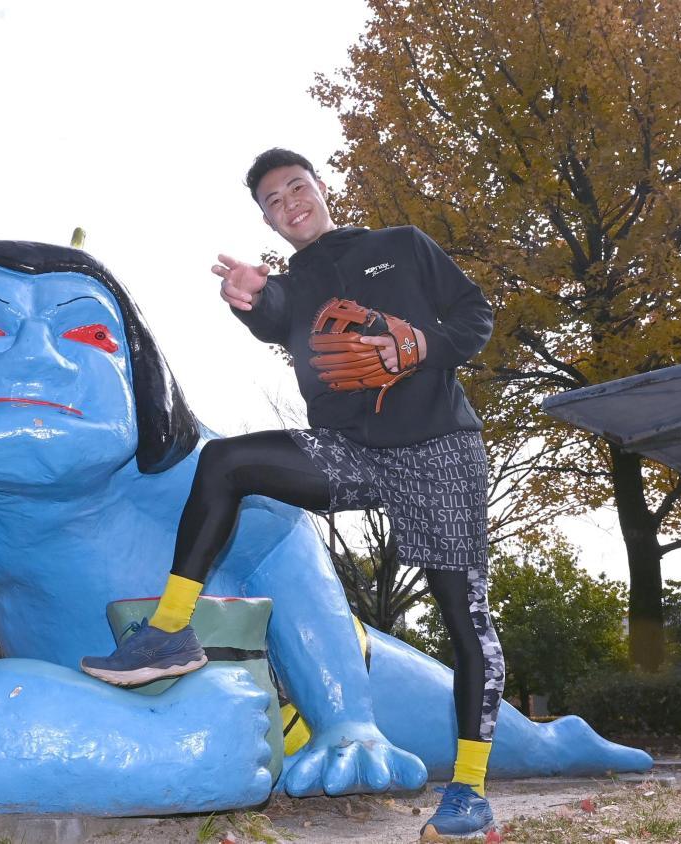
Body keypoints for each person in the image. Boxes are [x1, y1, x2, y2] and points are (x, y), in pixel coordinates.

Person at [82, 148, 504, 839]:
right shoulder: (294, 283)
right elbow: (274, 312)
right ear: (268, 219)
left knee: (466, 620)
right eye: (273, 202)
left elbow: (474, 314)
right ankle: (169, 631)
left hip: (439, 449)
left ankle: (470, 792)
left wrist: (420, 347)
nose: (288, 204)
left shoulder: (400, 247)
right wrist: (250, 296)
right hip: (351, 453)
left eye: (295, 188)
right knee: (225, 461)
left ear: (321, 189)